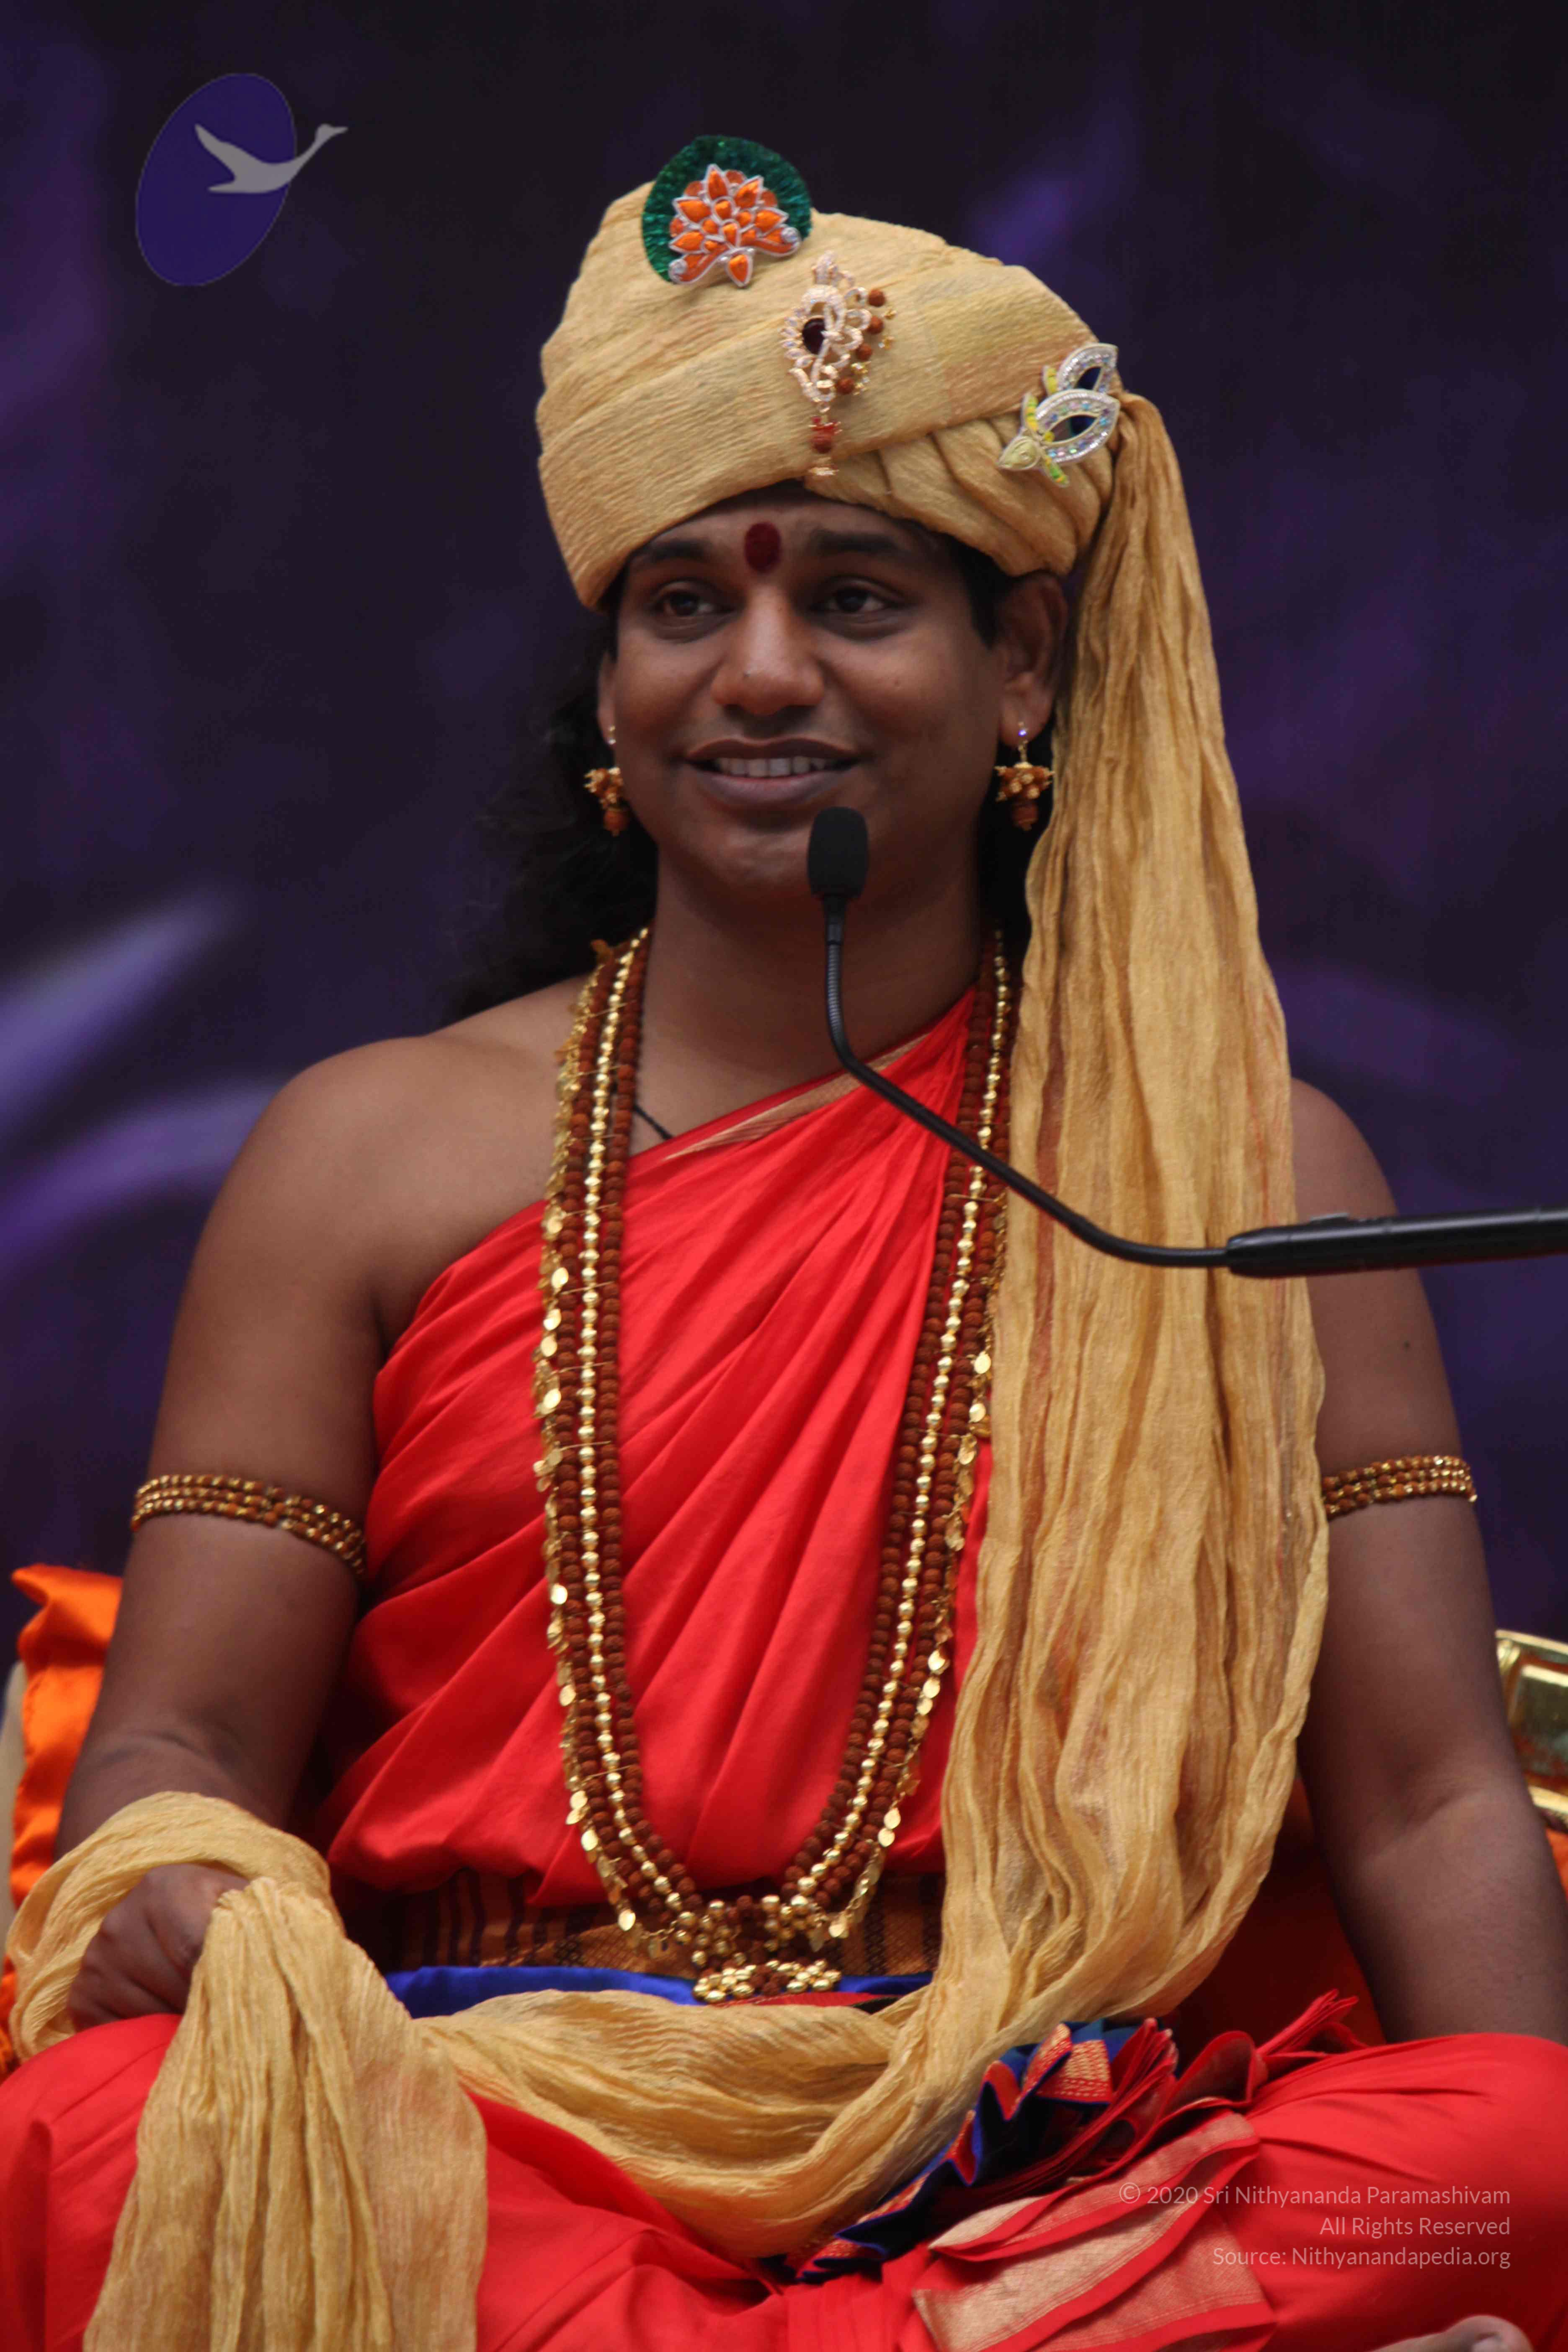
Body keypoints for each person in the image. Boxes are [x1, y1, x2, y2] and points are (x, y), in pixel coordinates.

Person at [3, 137, 1567, 2352]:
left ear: (1021, 666)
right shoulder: (365, 1155)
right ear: (610, 689)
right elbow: (174, 1747)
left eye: (853, 598)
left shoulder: (1247, 1178)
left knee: (1512, 2162)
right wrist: (186, 1883)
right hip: (493, 2128)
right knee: (89, 2136)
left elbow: (1421, 1798)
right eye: (684, 605)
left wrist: (1532, 2184)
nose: (758, 672)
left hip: (1044, 2149)